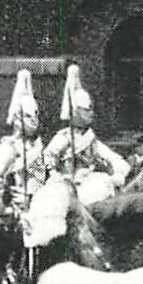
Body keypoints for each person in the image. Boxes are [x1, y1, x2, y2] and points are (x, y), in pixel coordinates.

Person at [0, 69, 51, 246]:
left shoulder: (40, 146)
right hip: (16, 207)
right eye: (29, 116)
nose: (34, 120)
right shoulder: (7, 148)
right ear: (17, 119)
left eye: (36, 115)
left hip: (41, 204)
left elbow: (48, 175)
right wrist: (2, 204)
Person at [43, 64, 132, 192]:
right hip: (68, 186)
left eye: (91, 109)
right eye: (86, 110)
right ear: (76, 112)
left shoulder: (90, 138)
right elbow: (46, 159)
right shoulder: (64, 138)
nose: (91, 113)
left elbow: (109, 155)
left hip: (89, 182)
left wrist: (120, 168)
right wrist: (56, 177)